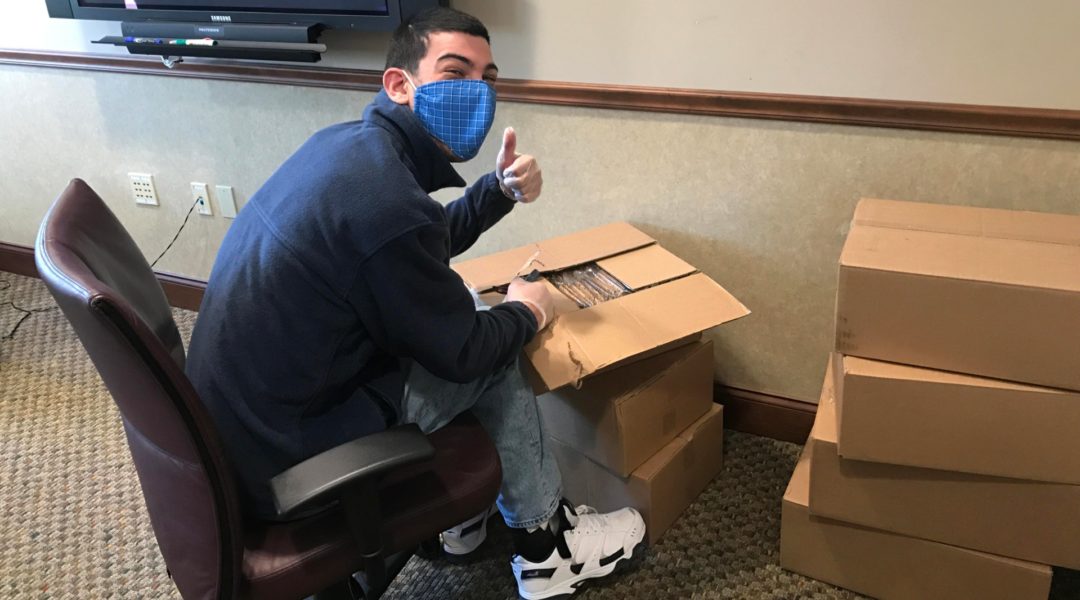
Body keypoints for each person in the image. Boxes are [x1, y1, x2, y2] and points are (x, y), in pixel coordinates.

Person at [185, 7, 645, 598]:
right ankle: (546, 548)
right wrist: (530, 310)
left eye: (487, 79)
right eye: (454, 73)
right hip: (290, 460)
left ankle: (467, 522)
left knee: (471, 322)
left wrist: (496, 192)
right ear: (399, 84)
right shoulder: (385, 199)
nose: (476, 93)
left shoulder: (348, 150)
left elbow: (413, 246)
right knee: (494, 350)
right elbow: (464, 353)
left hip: (248, 425)